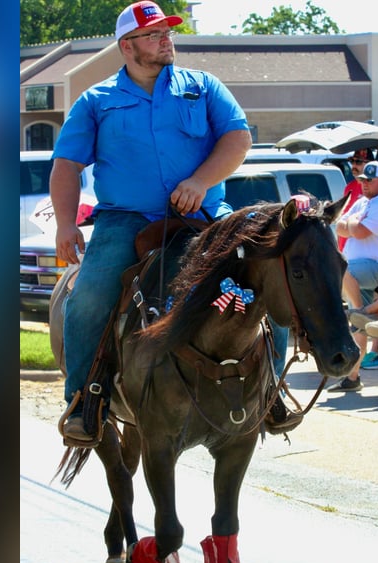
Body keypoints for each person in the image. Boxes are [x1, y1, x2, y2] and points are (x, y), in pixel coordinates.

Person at [50, 2, 253, 446]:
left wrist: (201, 181)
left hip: (203, 215)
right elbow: (66, 166)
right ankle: (85, 401)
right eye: (154, 33)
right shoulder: (96, 101)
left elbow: (238, 139)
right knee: (88, 299)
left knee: (261, 274)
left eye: (168, 31)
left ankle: (270, 394)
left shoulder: (202, 87)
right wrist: (67, 225)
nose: (167, 39)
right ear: (128, 46)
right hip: (127, 219)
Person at [328, 161, 378, 392]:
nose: (365, 183)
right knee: (357, 326)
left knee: (337, 267)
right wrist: (352, 223)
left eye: (370, 180)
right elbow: (337, 225)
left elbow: (358, 230)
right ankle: (353, 377)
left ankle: (363, 312)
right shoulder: (363, 201)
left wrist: (351, 223)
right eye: (362, 179)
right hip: (362, 271)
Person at [337, 148, 374, 252]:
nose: (353, 166)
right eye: (352, 161)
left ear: (370, 165)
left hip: (362, 249)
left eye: (358, 162)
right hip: (344, 248)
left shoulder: (374, 189)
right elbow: (343, 217)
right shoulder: (349, 187)